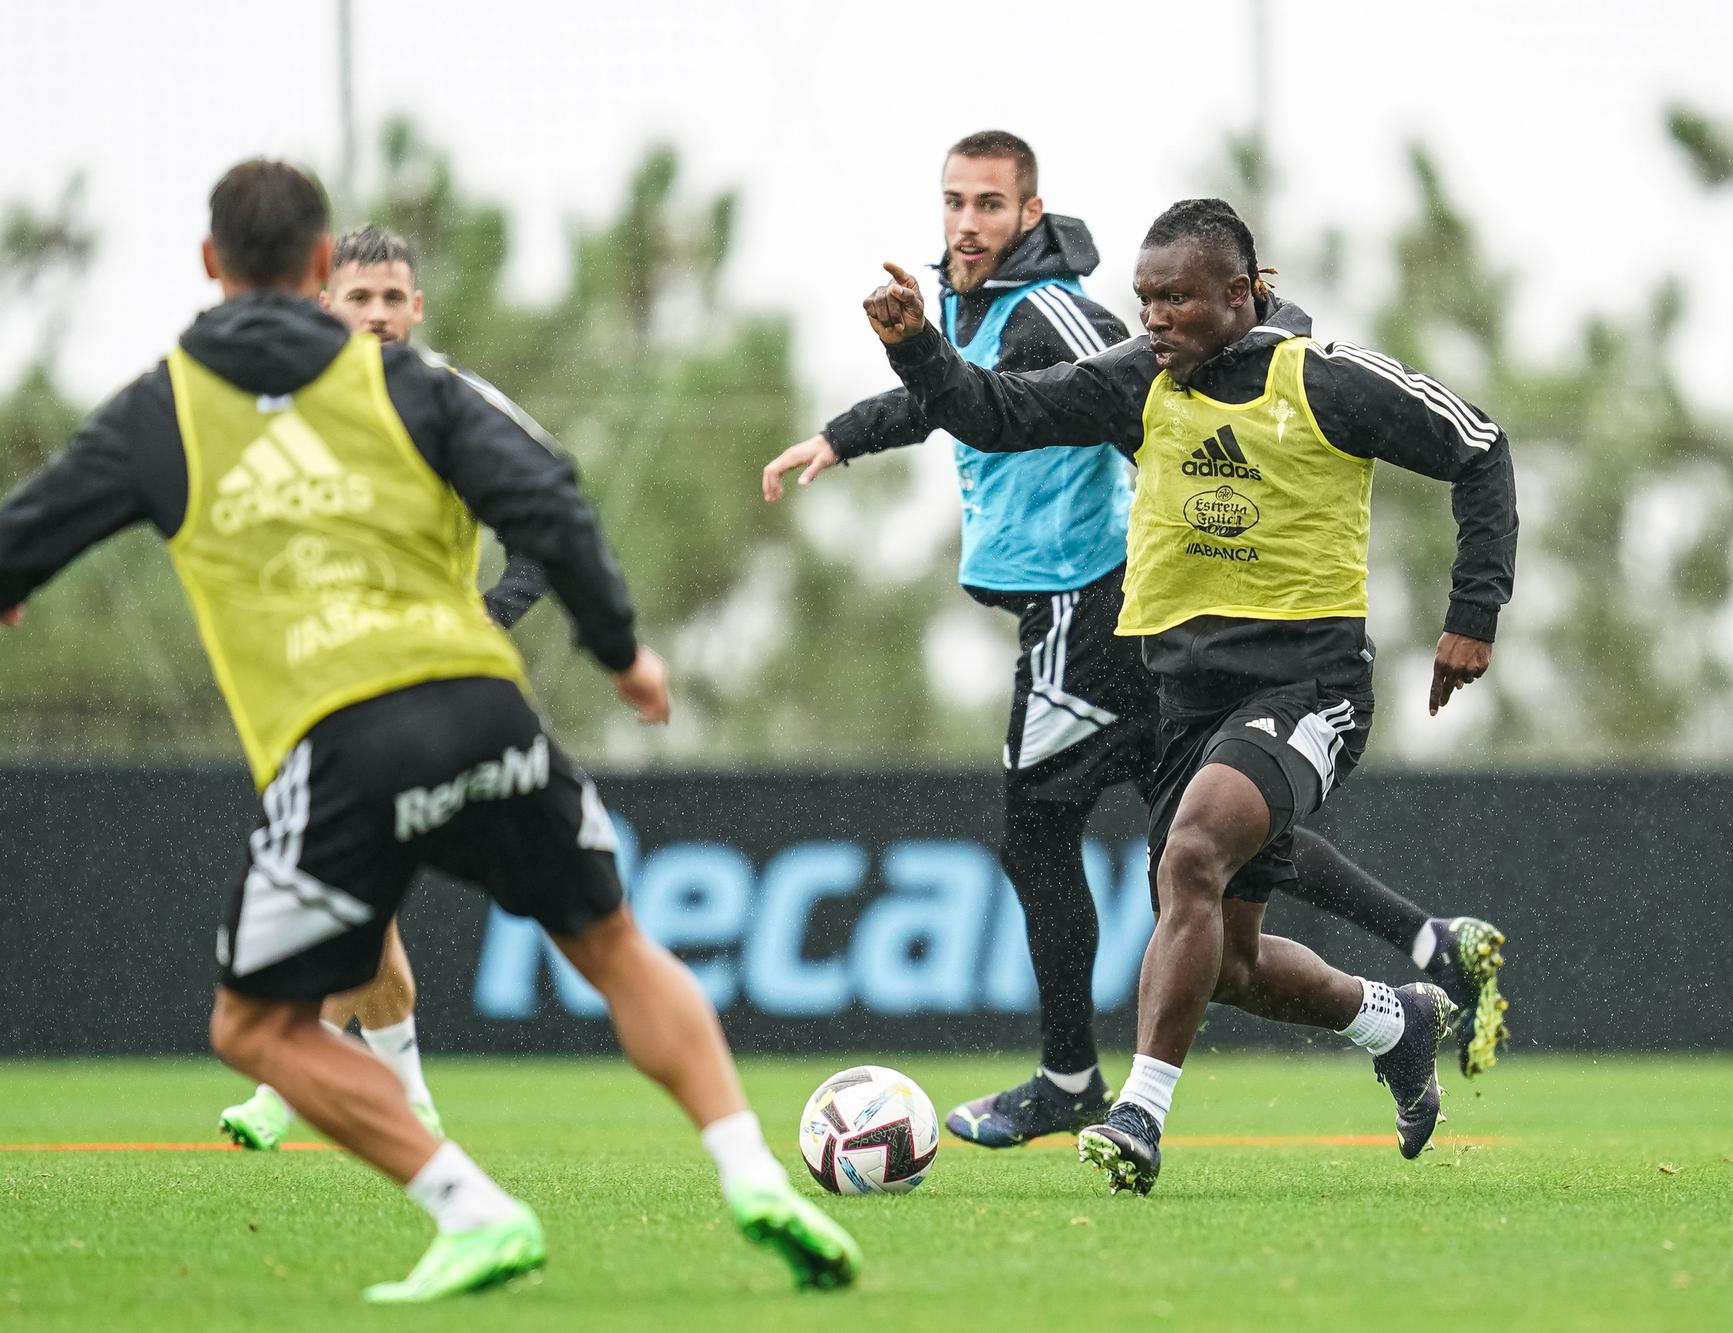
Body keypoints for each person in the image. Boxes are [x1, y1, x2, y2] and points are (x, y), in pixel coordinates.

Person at [0, 160, 858, 1298]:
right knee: (614, 947)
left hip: (343, 736)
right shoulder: (410, 387)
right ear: (319, 269)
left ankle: (471, 1206)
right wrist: (623, 652)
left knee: (256, 1029)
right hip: (485, 705)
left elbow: (24, 537)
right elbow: (550, 499)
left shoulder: (164, 409)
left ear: (212, 265)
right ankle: (751, 1171)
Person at [766, 133, 1507, 1150]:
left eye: (1177, 300)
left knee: (1188, 850)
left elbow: (1478, 446)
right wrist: (913, 349)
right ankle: (1398, 1015)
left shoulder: (1324, 382)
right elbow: (999, 411)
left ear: (1239, 296)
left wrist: (1471, 614)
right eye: (1145, 298)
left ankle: (1133, 1112)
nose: (1153, 318)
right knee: (1226, 956)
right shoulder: (1138, 377)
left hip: (1307, 682)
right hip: (1188, 696)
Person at [217, 224, 552, 1153]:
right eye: (357, 298)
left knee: (348, 876)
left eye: (391, 299)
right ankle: (403, 1095)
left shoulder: (455, 405)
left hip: (429, 687)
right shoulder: (285, 411)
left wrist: (494, 614)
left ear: (416, 308)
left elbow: (549, 512)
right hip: (323, 682)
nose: (376, 316)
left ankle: (294, 1082)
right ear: (326, 305)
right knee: (357, 893)